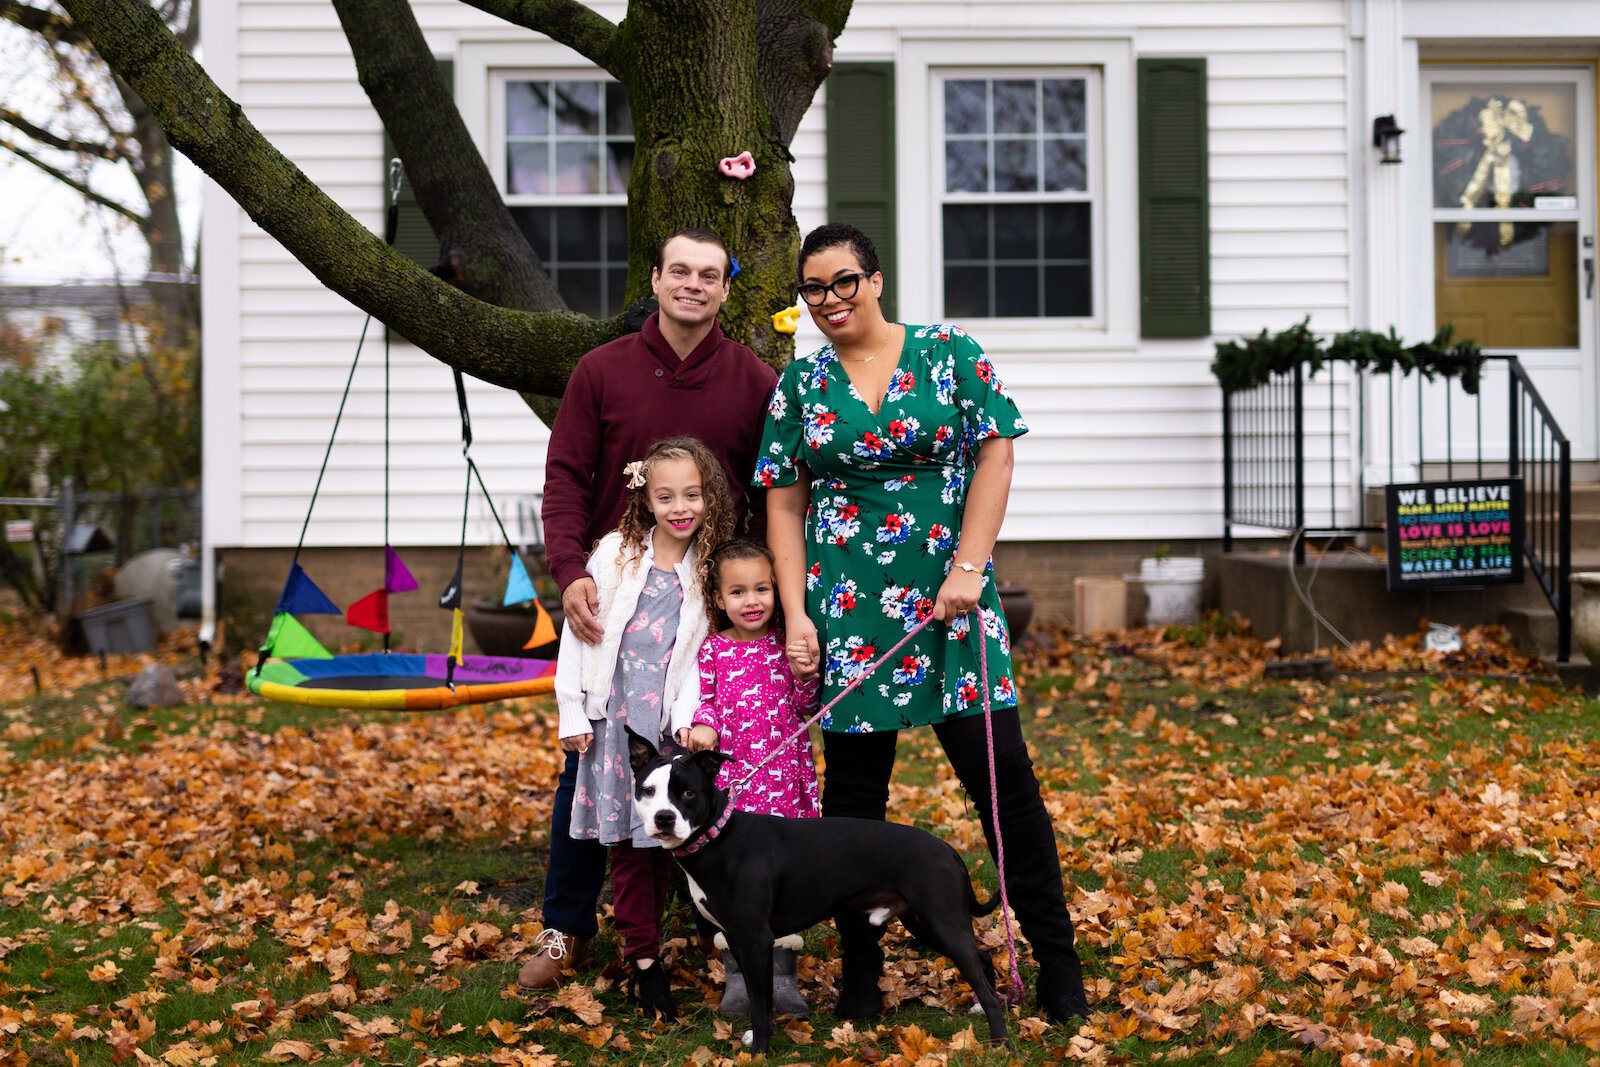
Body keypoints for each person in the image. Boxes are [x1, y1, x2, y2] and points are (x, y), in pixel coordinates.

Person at [757, 222, 1091, 1024]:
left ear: (874, 280)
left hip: (953, 606)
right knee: (854, 808)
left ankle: (1057, 962)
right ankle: (861, 981)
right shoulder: (800, 385)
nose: (831, 300)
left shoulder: (947, 353)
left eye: (844, 281)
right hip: (850, 611)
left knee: (1005, 790)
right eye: (815, 289)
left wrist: (970, 568)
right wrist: (798, 614)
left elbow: (997, 450)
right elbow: (783, 498)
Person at [521, 229, 778, 991]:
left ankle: (721, 922)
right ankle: (567, 926)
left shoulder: (754, 380)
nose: (692, 285)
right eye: (679, 272)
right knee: (589, 776)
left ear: (726, 288)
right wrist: (569, 573)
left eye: (709, 274)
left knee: (703, 766)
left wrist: (757, 597)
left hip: (707, 613)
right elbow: (565, 475)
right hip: (616, 607)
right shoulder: (602, 371)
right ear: (657, 279)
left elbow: (772, 498)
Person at [554, 436, 734, 1019]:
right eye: (666, 496)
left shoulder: (709, 567)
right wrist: (572, 712)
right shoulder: (615, 554)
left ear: (709, 496)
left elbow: (698, 658)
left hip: (668, 730)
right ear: (646, 499)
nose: (680, 507)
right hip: (614, 727)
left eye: (691, 494)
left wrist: (687, 722)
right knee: (632, 851)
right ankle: (644, 962)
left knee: (670, 846)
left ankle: (697, 939)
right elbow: (577, 638)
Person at [687, 538, 821, 1017]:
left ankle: (783, 974)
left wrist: (804, 675)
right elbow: (706, 701)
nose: (752, 601)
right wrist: (703, 725)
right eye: (739, 592)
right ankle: (740, 975)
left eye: (762, 589)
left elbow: (807, 709)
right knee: (735, 880)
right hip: (736, 786)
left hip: (784, 781)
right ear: (720, 599)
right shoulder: (714, 649)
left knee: (779, 878)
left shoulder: (787, 641)